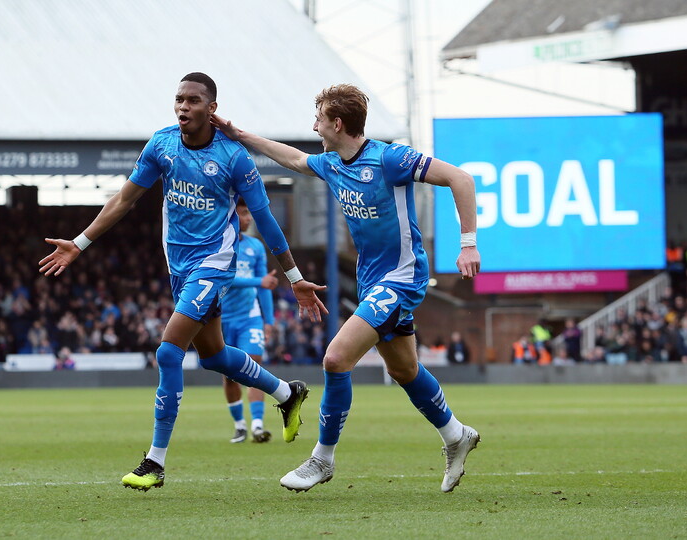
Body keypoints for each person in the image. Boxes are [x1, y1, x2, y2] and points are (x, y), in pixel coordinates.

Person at [38, 72, 327, 491]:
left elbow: (265, 219)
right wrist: (80, 244)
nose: (183, 107)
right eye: (179, 99)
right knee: (212, 357)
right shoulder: (162, 145)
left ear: (212, 109)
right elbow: (125, 199)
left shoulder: (234, 158)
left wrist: (295, 277)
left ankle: (154, 462)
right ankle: (287, 393)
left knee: (168, 352)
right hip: (179, 266)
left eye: (193, 100)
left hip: (214, 264)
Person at [212, 83, 481, 493]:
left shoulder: (390, 158)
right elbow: (296, 160)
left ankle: (322, 458)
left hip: (402, 278)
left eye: (318, 117)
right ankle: (456, 435)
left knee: (336, 359)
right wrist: (241, 135)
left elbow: (460, 178)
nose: (313, 124)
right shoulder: (333, 163)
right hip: (373, 280)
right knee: (404, 370)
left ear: (337, 123)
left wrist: (468, 243)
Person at [221, 198, 278, 443]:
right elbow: (224, 279)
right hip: (221, 319)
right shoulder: (219, 245)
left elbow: (265, 286)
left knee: (254, 367)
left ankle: (257, 425)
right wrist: (259, 282)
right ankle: (240, 425)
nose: (248, 218)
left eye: (248, 213)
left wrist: (269, 320)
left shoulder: (256, 246)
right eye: (244, 214)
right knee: (229, 375)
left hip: (250, 317)